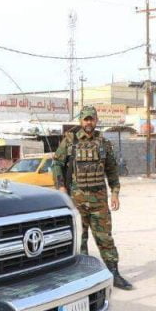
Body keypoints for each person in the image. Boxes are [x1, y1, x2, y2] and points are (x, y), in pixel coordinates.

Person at [52, 106, 133, 290]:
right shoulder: (70, 141)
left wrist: (115, 192)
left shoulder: (104, 143)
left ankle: (114, 273)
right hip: (76, 200)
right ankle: (81, 276)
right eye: (86, 119)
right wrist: (61, 187)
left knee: (105, 238)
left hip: (99, 200)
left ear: (96, 120)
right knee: (79, 240)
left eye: (92, 119)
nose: (89, 122)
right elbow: (57, 163)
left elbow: (111, 169)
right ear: (81, 121)